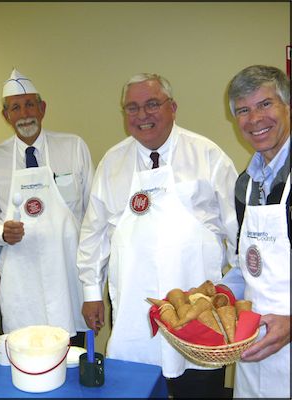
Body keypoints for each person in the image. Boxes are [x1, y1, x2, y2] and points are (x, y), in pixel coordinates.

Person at [77, 73, 239, 398]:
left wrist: (234, 290)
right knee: (135, 388)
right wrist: (91, 291)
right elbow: (94, 233)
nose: (142, 115)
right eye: (132, 108)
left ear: (173, 107)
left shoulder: (206, 155)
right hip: (135, 309)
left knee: (199, 388)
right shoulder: (113, 162)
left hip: (197, 309)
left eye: (152, 104)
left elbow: (237, 226)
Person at [0, 69, 94, 346]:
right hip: (21, 279)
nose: (24, 113)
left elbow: (93, 215)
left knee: (73, 356)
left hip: (68, 276)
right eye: (15, 107)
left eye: (30, 104)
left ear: (42, 108)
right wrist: (1, 232)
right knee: (26, 357)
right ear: (6, 115)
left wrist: (93, 281)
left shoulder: (73, 147)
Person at [219, 65, 290, 398]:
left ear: (287, 106)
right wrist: (218, 294)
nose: (254, 118)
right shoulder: (244, 186)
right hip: (251, 347)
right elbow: (248, 265)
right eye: (243, 110)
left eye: (265, 104)